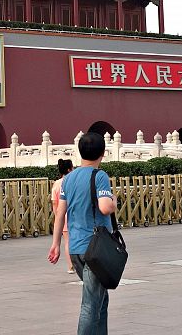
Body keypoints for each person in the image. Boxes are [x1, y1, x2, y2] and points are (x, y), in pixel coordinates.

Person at [48, 132, 117, 335]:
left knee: (100, 299)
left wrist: (56, 244)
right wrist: (113, 201)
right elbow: (105, 207)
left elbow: (60, 214)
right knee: (90, 303)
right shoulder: (100, 176)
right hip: (95, 249)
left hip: (76, 249)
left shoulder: (68, 179)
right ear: (103, 153)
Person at [51, 159, 75, 273]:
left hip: (62, 215)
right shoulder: (73, 181)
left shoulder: (56, 184)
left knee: (67, 242)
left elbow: (54, 202)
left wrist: (57, 215)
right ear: (70, 169)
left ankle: (70, 266)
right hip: (73, 213)